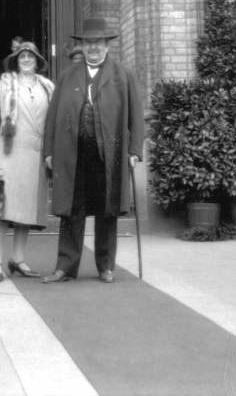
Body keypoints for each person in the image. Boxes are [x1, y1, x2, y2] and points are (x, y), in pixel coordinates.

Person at [42, 17, 145, 284]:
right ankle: (65, 266)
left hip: (108, 154)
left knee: (106, 208)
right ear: (83, 47)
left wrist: (134, 150)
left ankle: (105, 266)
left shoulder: (124, 74)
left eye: (98, 43)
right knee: (71, 210)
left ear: (107, 46)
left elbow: (136, 116)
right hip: (73, 154)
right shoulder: (67, 76)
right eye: (89, 43)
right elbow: (52, 117)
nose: (94, 48)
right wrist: (49, 152)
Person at [0, 42, 55, 282]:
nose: (26, 60)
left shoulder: (48, 87)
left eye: (30, 56)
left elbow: (52, 124)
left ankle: (18, 259)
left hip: (36, 158)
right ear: (16, 60)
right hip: (8, 156)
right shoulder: (5, 85)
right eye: (22, 56)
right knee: (1, 210)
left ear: (37, 61)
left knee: (26, 211)